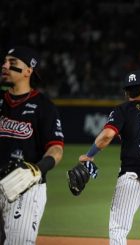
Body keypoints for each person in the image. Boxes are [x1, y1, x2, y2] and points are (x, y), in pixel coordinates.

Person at [78, 70, 140, 245]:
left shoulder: (123, 109)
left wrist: (89, 156)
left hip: (132, 176)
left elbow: (106, 136)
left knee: (119, 228)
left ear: (126, 92)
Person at [0, 46, 64, 244]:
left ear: (28, 71)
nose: (4, 66)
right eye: (4, 61)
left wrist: (36, 169)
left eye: (12, 63)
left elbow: (56, 149)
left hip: (24, 189)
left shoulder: (44, 107)